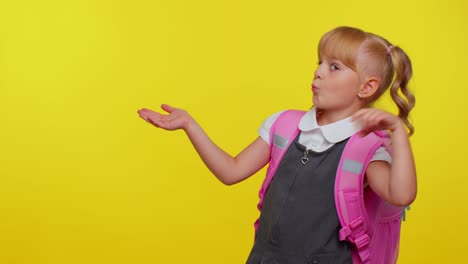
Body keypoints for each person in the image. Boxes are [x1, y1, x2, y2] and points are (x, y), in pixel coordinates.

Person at [137, 26, 417, 263]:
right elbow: (230, 171)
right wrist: (190, 125)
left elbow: (401, 195)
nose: (318, 72)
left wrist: (397, 131)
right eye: (319, 62)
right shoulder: (284, 125)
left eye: (334, 67)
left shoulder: (364, 147)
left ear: (366, 88)